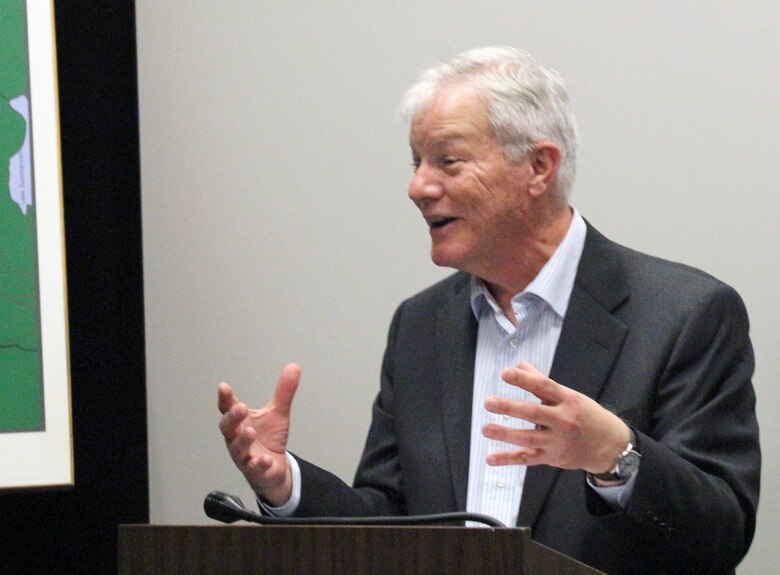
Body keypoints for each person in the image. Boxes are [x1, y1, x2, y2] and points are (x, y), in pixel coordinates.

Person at [218, 46, 760, 574]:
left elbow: (721, 536)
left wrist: (616, 456)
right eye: (416, 163)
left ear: (539, 167)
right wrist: (285, 485)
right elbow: (392, 523)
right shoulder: (421, 326)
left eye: (447, 162)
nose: (417, 187)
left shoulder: (685, 315)